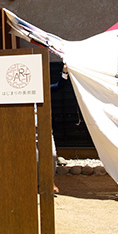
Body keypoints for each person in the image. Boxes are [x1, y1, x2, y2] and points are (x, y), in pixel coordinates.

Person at [49, 64, 69, 193]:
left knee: (52, 155)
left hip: (45, 129)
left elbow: (60, 85)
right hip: (27, 130)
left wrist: (64, 72)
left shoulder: (44, 89)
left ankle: (50, 182)